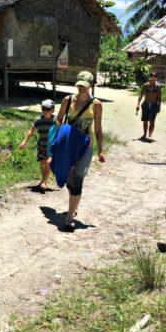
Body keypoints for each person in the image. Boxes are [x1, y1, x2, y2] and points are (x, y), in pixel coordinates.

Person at [55, 71, 105, 231]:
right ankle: (73, 205)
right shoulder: (67, 100)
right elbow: (58, 119)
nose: (81, 88)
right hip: (69, 145)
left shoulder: (96, 104)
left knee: (77, 178)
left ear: (90, 85)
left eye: (84, 86)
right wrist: (61, 131)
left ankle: (69, 217)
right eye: (79, 85)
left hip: (85, 146)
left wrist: (100, 150)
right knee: (69, 178)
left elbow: (97, 128)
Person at [18, 99, 57, 192]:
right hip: (41, 145)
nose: (44, 111)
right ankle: (43, 180)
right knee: (42, 163)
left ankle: (44, 181)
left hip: (51, 146)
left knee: (48, 162)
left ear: (53, 110)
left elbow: (62, 130)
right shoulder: (39, 119)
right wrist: (24, 141)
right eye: (43, 109)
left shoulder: (56, 120)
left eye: (47, 109)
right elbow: (31, 131)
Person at [136, 71, 162, 142]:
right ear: (150, 77)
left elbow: (159, 97)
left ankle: (150, 135)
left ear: (156, 78)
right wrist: (138, 104)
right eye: (152, 77)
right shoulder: (145, 85)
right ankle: (144, 134)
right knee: (145, 121)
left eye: (155, 77)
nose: (153, 79)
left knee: (152, 121)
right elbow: (141, 95)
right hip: (145, 104)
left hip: (154, 105)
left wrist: (159, 107)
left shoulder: (158, 86)